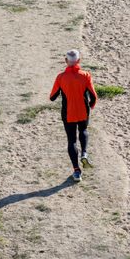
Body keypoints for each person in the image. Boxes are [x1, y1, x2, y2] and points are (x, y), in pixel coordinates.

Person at [50, 49, 97, 182]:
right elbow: (93, 96)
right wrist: (91, 106)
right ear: (79, 61)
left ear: (66, 61)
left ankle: (77, 171)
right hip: (83, 111)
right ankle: (84, 153)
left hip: (68, 113)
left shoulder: (60, 77)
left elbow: (52, 97)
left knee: (71, 141)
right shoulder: (86, 75)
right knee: (83, 130)